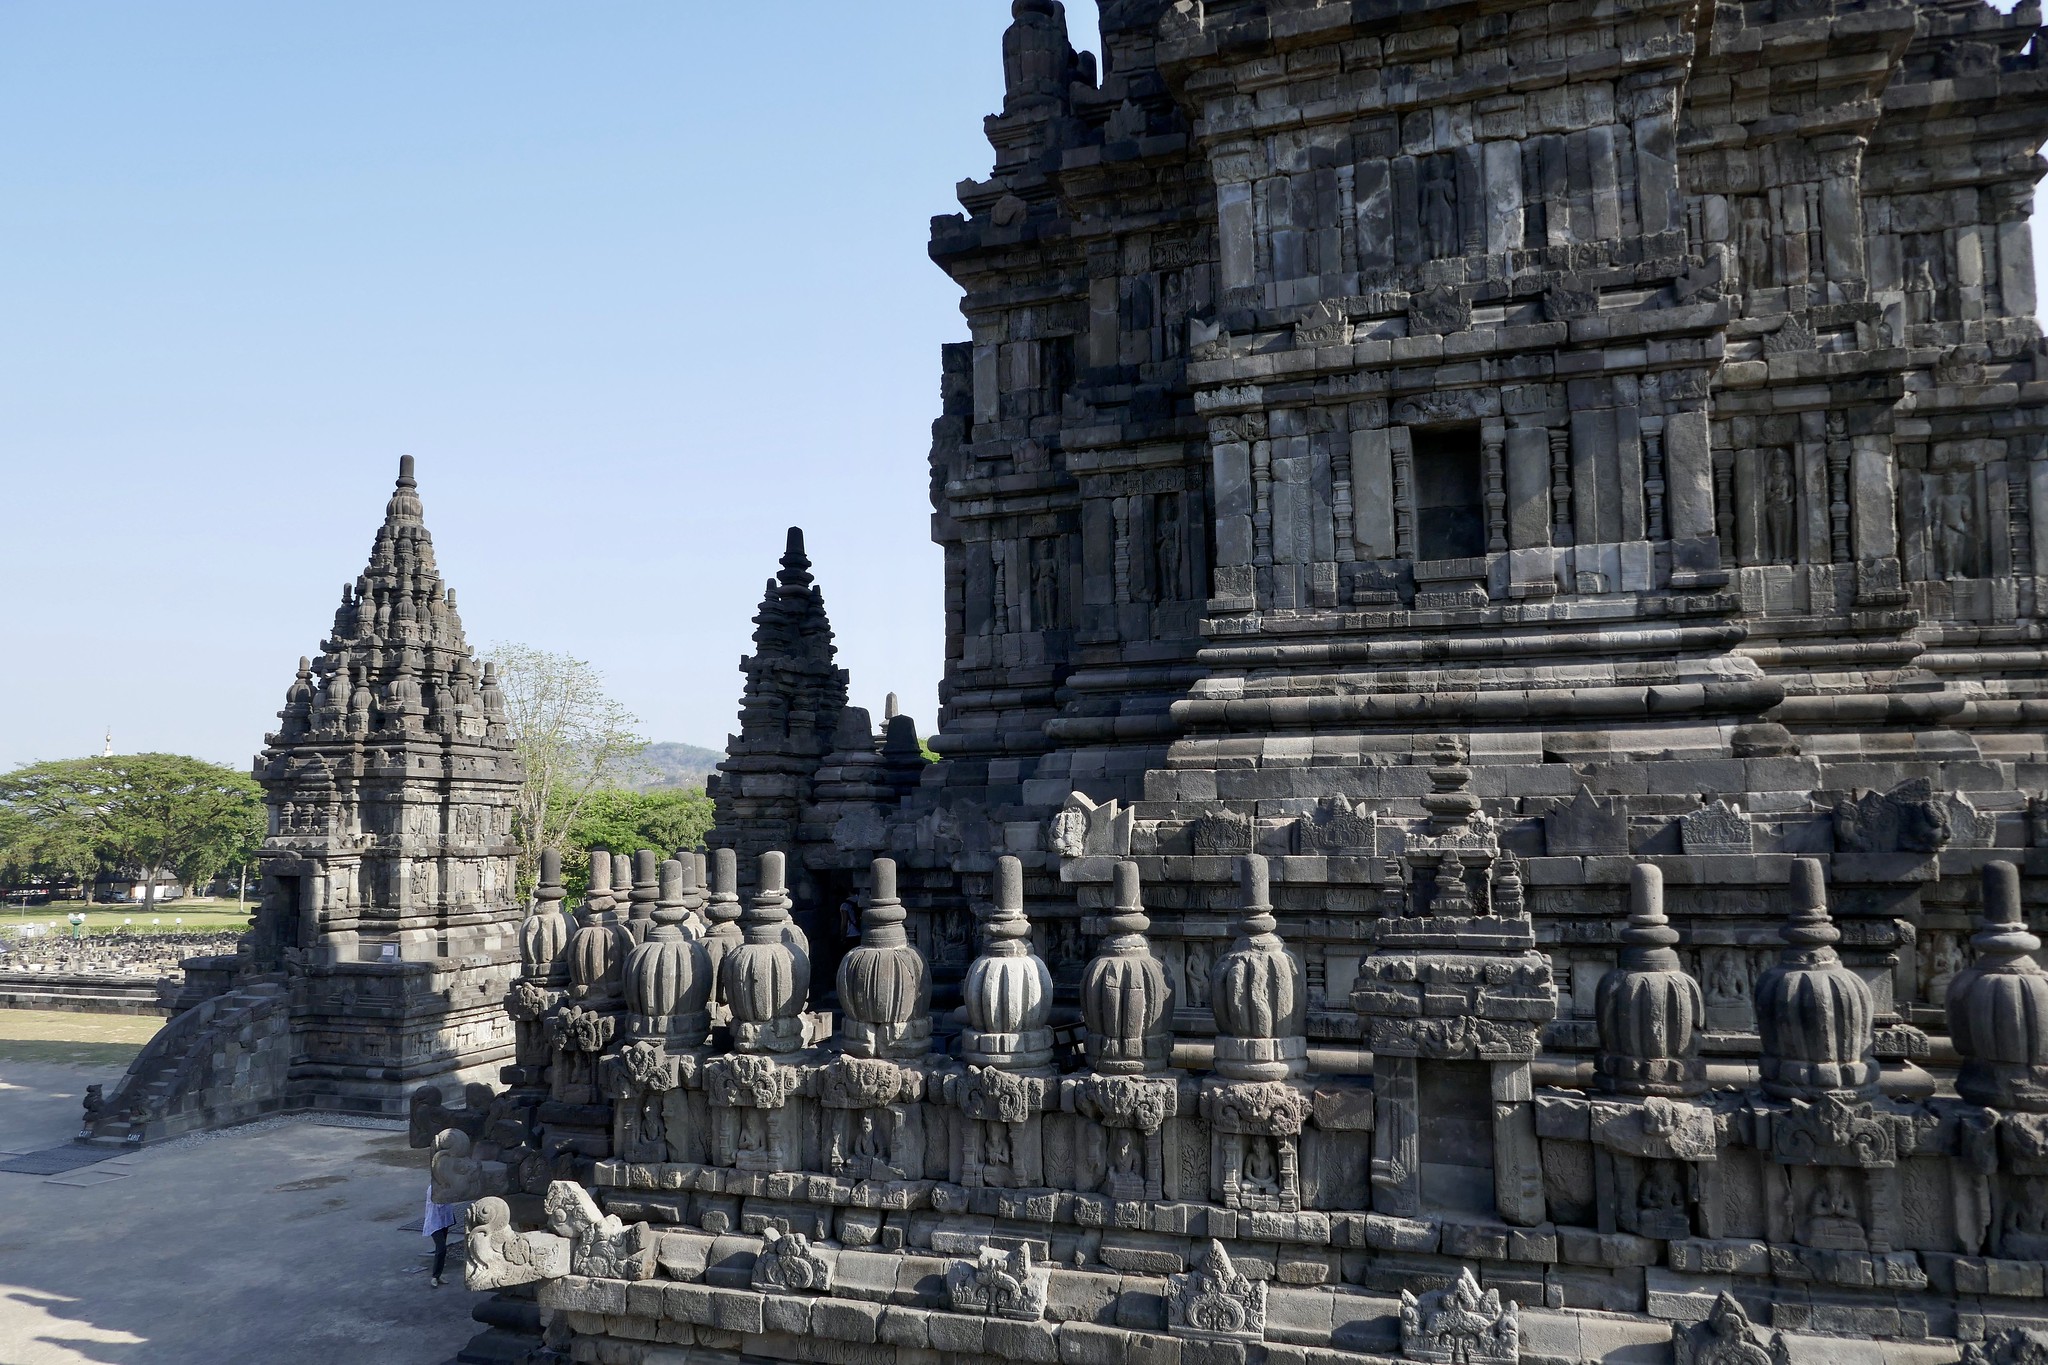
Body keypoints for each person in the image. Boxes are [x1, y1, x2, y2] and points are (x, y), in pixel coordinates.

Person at [423, 1178, 466, 1288]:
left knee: (441, 1249)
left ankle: (438, 1275)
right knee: (441, 1248)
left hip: (444, 1221)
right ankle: (434, 1276)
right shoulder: (432, 1189)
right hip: (434, 1223)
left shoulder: (446, 1187)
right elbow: (439, 1203)